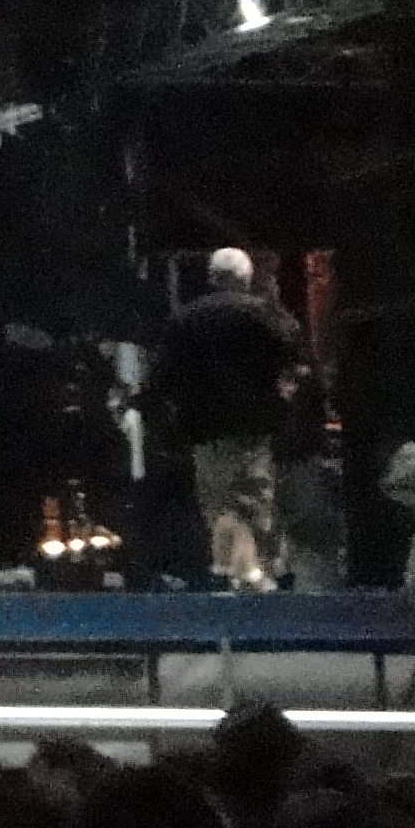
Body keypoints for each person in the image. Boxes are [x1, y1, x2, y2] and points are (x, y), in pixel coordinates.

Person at [157, 248, 302, 590]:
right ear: (247, 278)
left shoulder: (186, 318)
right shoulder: (265, 315)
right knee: (255, 501)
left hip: (206, 429)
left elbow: (165, 377)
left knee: (220, 504)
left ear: (212, 278)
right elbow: (292, 348)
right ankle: (254, 575)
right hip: (256, 426)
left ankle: (233, 574)